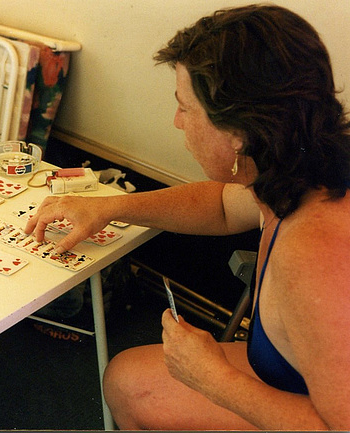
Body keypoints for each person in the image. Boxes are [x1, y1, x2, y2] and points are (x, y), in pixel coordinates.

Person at [25, 4, 350, 430]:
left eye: (185, 108)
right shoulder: (298, 169)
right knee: (127, 381)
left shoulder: (314, 256)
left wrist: (214, 379)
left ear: (240, 133)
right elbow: (219, 205)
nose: (177, 123)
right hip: (303, 379)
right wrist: (111, 206)